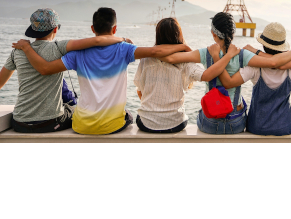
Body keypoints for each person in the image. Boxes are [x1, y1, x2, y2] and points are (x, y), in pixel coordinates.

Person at [13, 7, 192, 135]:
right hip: (112, 126)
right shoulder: (125, 49)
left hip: (81, 126)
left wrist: (27, 49)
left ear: (92, 29)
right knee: (128, 115)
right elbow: (156, 52)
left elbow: (45, 68)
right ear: (114, 29)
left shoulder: (77, 53)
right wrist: (184, 46)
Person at [160, 12, 291, 135]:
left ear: (213, 34)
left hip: (210, 123)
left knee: (201, 112)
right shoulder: (243, 55)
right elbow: (273, 63)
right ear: (233, 33)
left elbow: (171, 58)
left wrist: (183, 46)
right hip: (236, 122)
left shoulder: (206, 53)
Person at [0, 8, 125, 133]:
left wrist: (26, 47)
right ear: (55, 29)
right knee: (76, 110)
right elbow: (97, 41)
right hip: (49, 123)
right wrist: (122, 40)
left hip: (19, 122)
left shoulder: (17, 51)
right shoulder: (58, 48)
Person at [134, 17, 241, 134]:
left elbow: (140, 92)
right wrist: (228, 56)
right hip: (175, 123)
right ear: (179, 35)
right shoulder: (185, 61)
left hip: (146, 123)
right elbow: (206, 76)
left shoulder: (145, 59)